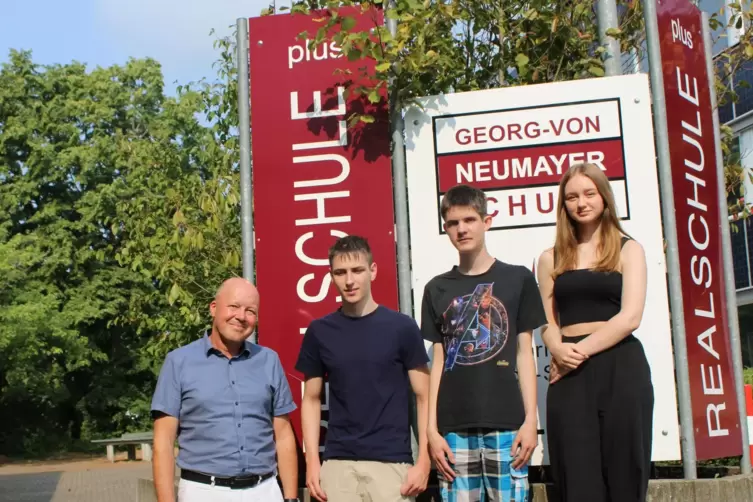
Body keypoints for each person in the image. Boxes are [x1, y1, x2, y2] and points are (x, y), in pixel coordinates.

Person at [536, 163, 654, 502]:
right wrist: (558, 349)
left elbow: (630, 317)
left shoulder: (628, 248)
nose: (581, 203)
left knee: (625, 474)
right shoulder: (550, 258)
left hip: (621, 366)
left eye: (589, 193)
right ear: (563, 204)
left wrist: (578, 351)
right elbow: (546, 321)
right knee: (576, 476)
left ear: (604, 196)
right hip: (568, 373)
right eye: (571, 197)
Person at [421, 184, 546, 502]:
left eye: (469, 219)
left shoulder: (517, 279)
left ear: (487, 221)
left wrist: (531, 421)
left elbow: (525, 354)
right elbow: (438, 362)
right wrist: (432, 431)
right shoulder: (436, 289)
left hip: (507, 426)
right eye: (453, 223)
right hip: (452, 430)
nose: (461, 229)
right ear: (445, 228)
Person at [295, 235, 431, 502]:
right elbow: (310, 400)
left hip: (392, 465)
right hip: (337, 466)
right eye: (340, 272)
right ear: (331, 276)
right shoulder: (319, 332)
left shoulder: (402, 327)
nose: (349, 280)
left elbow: (424, 397)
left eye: (357, 270)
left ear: (373, 271)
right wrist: (312, 462)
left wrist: (424, 462)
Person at [151, 277, 300, 502]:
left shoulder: (269, 360)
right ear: (213, 308)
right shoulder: (178, 362)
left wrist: (290, 498)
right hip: (203, 492)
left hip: (265, 491)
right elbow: (163, 442)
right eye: (234, 306)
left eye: (250, 311)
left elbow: (283, 435)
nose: (241, 316)